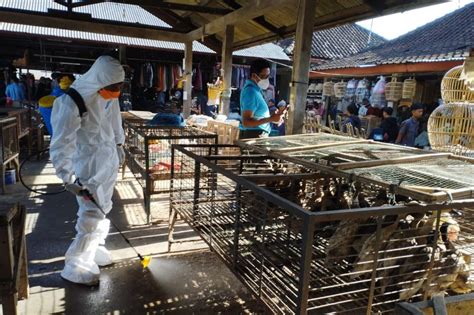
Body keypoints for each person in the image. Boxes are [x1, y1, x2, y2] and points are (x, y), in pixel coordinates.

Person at [50, 55, 126, 286]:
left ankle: (93, 247)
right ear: (99, 81)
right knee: (91, 214)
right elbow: (62, 141)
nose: (116, 91)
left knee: (104, 207)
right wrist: (66, 175)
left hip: (107, 161)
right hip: (87, 165)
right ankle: (76, 263)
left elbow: (115, 123)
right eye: (113, 87)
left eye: (119, 87)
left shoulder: (108, 97)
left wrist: (120, 145)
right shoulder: (71, 101)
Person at [239, 59, 284, 139]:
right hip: (254, 135)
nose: (266, 79)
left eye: (268, 76)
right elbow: (246, 122)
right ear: (254, 75)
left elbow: (258, 117)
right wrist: (270, 119)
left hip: (257, 134)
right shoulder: (250, 92)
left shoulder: (256, 90)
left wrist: (273, 118)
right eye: (263, 76)